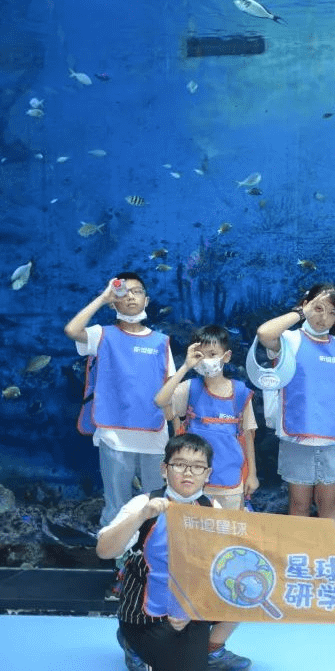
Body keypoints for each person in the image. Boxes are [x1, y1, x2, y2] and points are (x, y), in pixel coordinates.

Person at [64, 272, 175, 602]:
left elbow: (170, 390)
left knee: (157, 506)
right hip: (114, 435)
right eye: (123, 293)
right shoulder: (103, 334)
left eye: (136, 291)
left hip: (154, 436)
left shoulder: (162, 341)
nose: (130, 297)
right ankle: (122, 572)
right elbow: (72, 330)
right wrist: (102, 298)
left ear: (147, 300)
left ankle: (153, 570)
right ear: (115, 301)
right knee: (117, 506)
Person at [98, 434, 251, 671]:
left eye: (197, 467)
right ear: (164, 469)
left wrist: (193, 608)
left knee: (245, 587)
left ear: (207, 474)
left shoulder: (212, 509)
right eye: (180, 464)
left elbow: (217, 568)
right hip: (146, 614)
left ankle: (213, 649)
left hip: (190, 607)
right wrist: (141, 516)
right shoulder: (144, 504)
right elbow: (104, 551)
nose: (188, 473)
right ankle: (132, 644)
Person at [255, 283, 335, 518]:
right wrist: (301, 313)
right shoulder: (289, 340)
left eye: (332, 312)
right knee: (299, 505)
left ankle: (331, 544)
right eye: (318, 309)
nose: (324, 318)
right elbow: (264, 334)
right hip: (297, 436)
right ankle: (297, 546)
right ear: (305, 305)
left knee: (329, 505)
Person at [154, 326, 258, 510]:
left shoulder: (241, 393)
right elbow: (160, 400)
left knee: (229, 526)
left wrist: (252, 475)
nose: (206, 360)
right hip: (193, 482)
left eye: (212, 354)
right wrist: (186, 366)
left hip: (230, 481)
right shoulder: (189, 388)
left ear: (226, 356)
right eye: (200, 355)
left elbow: (248, 436)